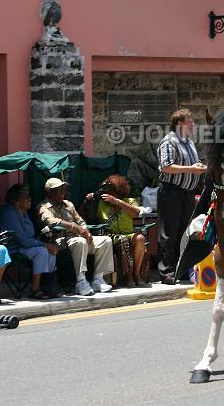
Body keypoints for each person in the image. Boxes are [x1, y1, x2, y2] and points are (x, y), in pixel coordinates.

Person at [37, 178, 114, 295]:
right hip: (59, 240)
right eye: (59, 190)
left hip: (77, 238)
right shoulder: (43, 207)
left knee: (105, 240)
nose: (63, 192)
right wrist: (75, 227)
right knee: (80, 242)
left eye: (63, 189)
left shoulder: (68, 204)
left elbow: (80, 220)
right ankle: (81, 281)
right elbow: (51, 221)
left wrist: (86, 231)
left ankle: (98, 279)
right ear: (49, 192)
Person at [156, 108, 205, 284]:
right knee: (169, 232)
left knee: (185, 232)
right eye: (189, 121)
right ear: (179, 124)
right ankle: (166, 271)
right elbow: (166, 166)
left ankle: (181, 269)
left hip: (187, 194)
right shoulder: (169, 141)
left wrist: (198, 167)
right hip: (171, 191)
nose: (193, 124)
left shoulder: (189, 143)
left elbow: (190, 165)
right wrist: (192, 169)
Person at [87, 175, 149, 288]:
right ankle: (128, 275)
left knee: (140, 238)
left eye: (111, 191)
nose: (107, 193)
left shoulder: (129, 201)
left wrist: (117, 202)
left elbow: (136, 213)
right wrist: (89, 201)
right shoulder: (101, 203)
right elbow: (85, 215)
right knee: (122, 239)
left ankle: (136, 273)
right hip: (111, 235)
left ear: (118, 191)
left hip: (128, 233)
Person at [1, 184, 57, 299]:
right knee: (42, 251)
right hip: (15, 248)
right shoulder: (10, 214)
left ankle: (48, 287)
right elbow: (23, 240)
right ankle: (34, 288)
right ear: (17, 201)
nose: (29, 199)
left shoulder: (24, 213)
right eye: (26, 197)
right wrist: (45, 245)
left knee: (52, 251)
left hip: (26, 247)